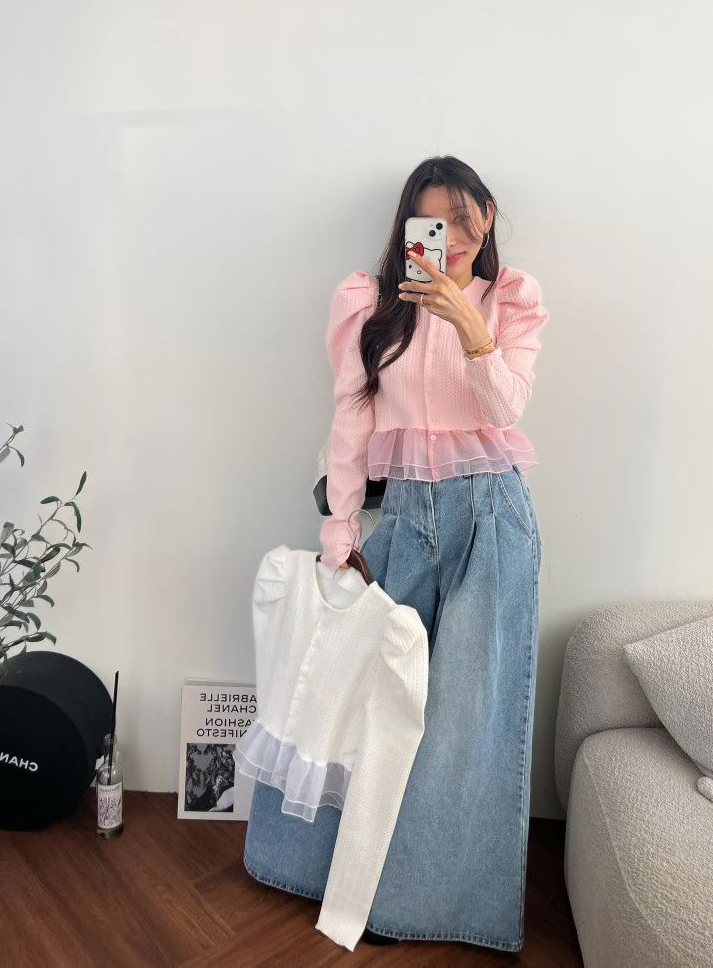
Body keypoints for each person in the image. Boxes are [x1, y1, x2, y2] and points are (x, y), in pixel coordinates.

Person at [242, 154, 549, 953]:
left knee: (467, 721)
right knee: (362, 695)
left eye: (463, 221)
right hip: (406, 517)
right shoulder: (371, 306)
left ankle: (434, 907)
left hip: (493, 519)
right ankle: (326, 879)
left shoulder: (511, 299)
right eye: (431, 224)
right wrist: (340, 530)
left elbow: (507, 407)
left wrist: (467, 322)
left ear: (487, 215)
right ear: (411, 226)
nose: (450, 240)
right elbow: (352, 420)